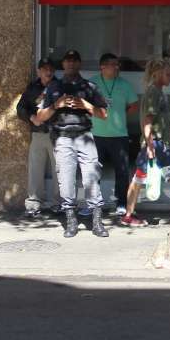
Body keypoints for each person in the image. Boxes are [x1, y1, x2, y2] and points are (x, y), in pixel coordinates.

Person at [35, 50, 110, 238]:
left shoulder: (89, 86)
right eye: (67, 61)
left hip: (84, 135)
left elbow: (104, 114)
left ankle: (97, 220)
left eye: (74, 61)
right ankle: (71, 220)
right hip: (63, 138)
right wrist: (56, 105)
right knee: (66, 179)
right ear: (63, 64)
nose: (71, 64)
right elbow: (39, 116)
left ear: (79, 64)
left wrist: (85, 105)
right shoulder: (53, 87)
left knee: (91, 176)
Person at [122, 58, 170, 227]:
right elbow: (147, 120)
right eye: (168, 74)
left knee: (139, 179)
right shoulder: (154, 93)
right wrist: (150, 144)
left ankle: (128, 215)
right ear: (157, 74)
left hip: (155, 143)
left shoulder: (156, 91)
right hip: (157, 144)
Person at [91, 53, 140, 216]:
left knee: (122, 171)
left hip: (119, 135)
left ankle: (121, 202)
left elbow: (134, 105)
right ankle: (94, 202)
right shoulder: (93, 83)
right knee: (94, 170)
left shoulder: (124, 85)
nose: (117, 67)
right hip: (97, 134)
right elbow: (84, 104)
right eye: (113, 64)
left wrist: (121, 112)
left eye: (117, 64)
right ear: (102, 67)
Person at [17, 58, 59, 218]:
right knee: (35, 169)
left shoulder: (59, 86)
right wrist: (31, 117)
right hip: (38, 134)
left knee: (59, 170)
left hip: (56, 134)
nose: (48, 72)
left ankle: (59, 203)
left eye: (50, 69)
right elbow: (20, 108)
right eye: (44, 69)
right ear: (39, 71)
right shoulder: (33, 88)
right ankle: (34, 204)